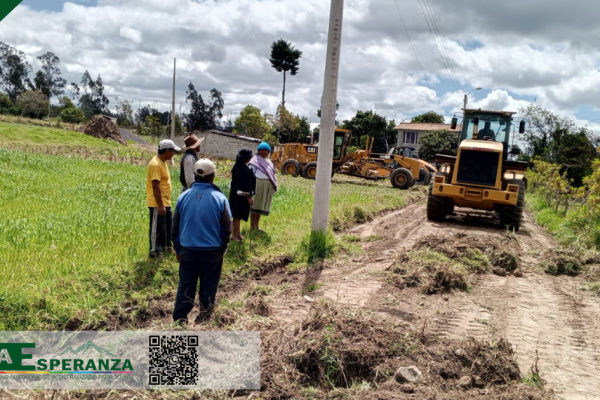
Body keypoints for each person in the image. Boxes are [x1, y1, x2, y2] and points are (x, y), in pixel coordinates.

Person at [171, 159, 233, 325]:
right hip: (212, 251)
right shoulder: (220, 198)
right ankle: (205, 316)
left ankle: (180, 319)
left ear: (196, 175)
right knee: (209, 284)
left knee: (186, 284)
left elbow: (175, 226)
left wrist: (177, 249)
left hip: (187, 249)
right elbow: (227, 227)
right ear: (212, 176)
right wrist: (222, 248)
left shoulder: (183, 197)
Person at [147, 139, 180, 258]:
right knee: (157, 228)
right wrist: (160, 205)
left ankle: (166, 248)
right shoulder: (155, 164)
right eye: (172, 151)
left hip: (166, 201)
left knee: (166, 227)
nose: (173, 154)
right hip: (157, 203)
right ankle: (155, 251)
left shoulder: (163, 162)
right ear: (167, 150)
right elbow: (156, 186)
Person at [249, 142, 278, 231]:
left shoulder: (269, 161)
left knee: (260, 206)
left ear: (268, 151)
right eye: (262, 150)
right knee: (255, 205)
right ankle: (252, 227)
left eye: (266, 150)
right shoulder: (254, 160)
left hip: (266, 186)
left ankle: (257, 226)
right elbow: (250, 174)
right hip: (257, 184)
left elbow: (272, 173)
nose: (264, 152)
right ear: (259, 151)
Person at [229, 149, 256, 242]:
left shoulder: (237, 166)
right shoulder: (244, 170)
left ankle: (238, 234)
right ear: (248, 158)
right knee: (237, 216)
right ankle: (234, 236)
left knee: (237, 215)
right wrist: (249, 198)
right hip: (241, 195)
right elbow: (245, 186)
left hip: (234, 194)